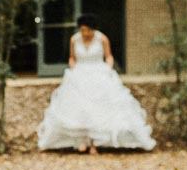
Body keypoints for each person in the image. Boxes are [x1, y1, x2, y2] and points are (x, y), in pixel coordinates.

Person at [36, 14, 156, 153]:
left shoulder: (102, 38)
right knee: (79, 108)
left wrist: (108, 69)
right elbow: (72, 58)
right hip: (80, 74)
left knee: (99, 108)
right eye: (83, 30)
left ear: (93, 29)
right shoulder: (74, 39)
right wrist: (72, 67)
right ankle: (81, 140)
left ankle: (95, 142)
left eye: (88, 30)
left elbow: (108, 56)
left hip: (98, 73)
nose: (85, 33)